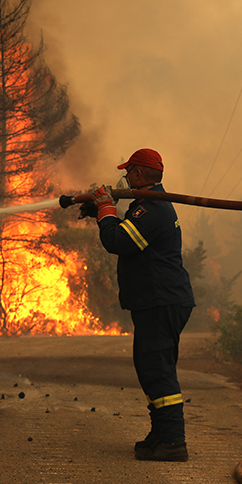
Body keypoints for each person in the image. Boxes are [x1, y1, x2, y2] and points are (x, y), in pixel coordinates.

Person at [83, 148, 196, 462]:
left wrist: (106, 208)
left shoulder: (152, 210)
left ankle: (173, 442)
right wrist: (100, 213)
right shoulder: (147, 207)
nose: (125, 177)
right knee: (150, 369)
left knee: (158, 371)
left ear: (137, 174)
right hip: (157, 301)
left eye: (128, 171)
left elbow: (118, 242)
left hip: (161, 301)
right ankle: (161, 433)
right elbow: (125, 233)